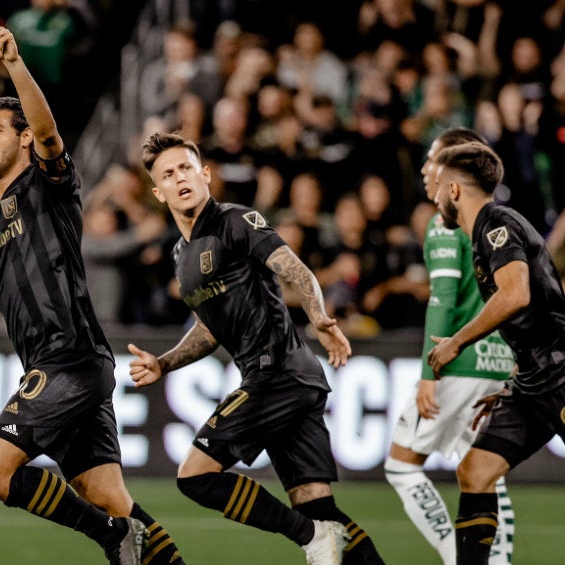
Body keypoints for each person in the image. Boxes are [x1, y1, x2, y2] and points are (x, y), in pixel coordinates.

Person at [0, 4, 186, 565]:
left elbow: (51, 132)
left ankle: (109, 539)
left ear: (24, 139)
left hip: (69, 359)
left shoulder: (48, 185)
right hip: (55, 364)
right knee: (109, 497)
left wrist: (14, 63)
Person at [130, 130, 387, 565]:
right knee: (318, 507)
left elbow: (295, 269)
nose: (180, 178)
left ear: (206, 174)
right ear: (158, 191)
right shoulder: (180, 254)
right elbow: (209, 331)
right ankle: (316, 532)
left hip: (277, 374)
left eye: (187, 167)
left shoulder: (234, 220)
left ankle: (306, 536)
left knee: (195, 476)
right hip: (289, 379)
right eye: (168, 174)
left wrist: (319, 318)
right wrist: (164, 362)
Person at [427, 141, 565, 565]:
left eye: (436, 187)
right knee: (476, 471)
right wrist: (513, 381)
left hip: (561, 377)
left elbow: (516, 294)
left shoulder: (495, 224)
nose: (433, 198)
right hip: (531, 383)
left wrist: (455, 341)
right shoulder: (486, 232)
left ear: (454, 191)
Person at [384, 128, 514, 565]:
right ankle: (499, 559)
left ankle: (458, 556)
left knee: (401, 465)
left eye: (433, 161)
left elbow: (441, 300)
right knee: (484, 474)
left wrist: (428, 373)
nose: (425, 170)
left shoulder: (445, 224)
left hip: (457, 365)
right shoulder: (496, 222)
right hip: (498, 362)